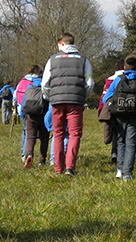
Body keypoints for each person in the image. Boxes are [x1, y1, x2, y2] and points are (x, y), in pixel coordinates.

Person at [41, 33, 94, 177]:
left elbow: (45, 83)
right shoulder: (84, 60)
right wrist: (82, 96)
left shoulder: (52, 60)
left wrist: (50, 97)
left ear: (62, 44)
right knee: (74, 134)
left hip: (57, 102)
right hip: (75, 102)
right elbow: (89, 83)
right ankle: (70, 167)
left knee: (58, 134)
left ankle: (58, 168)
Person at [102, 55, 136, 181]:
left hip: (118, 115)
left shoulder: (118, 80)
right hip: (133, 116)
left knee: (120, 141)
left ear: (124, 67)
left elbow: (106, 97)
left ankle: (119, 170)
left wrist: (112, 107)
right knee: (131, 144)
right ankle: (127, 174)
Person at [98, 59, 125, 164]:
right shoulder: (127, 78)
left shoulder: (109, 80)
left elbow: (104, 96)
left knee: (113, 130)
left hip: (111, 107)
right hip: (124, 107)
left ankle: (114, 152)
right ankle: (121, 154)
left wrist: (101, 110)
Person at [22, 68, 49, 169]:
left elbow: (24, 102)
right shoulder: (45, 86)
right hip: (43, 116)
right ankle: (42, 161)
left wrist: (23, 115)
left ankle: (29, 155)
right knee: (44, 139)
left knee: (30, 138)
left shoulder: (30, 86)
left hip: (30, 115)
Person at [14, 65, 40, 162]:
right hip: (32, 108)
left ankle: (23, 153)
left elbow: (15, 94)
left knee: (24, 131)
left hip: (21, 108)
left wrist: (15, 106)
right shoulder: (35, 81)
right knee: (30, 133)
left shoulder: (22, 81)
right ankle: (27, 153)